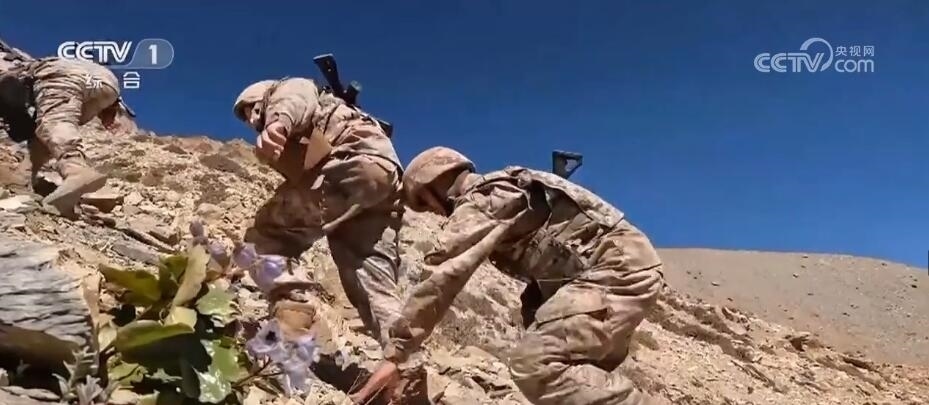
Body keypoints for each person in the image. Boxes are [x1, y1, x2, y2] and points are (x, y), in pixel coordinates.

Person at [351, 146, 666, 404]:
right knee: (575, 380)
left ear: (436, 182)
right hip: (616, 271)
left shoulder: (485, 199)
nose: (432, 212)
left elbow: (442, 276)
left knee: (535, 364)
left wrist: (396, 354)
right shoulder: (505, 191)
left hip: (616, 271)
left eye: (425, 202)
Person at [232, 78, 405, 356]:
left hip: (347, 167)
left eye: (252, 109)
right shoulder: (344, 113)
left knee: (265, 238)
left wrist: (278, 123)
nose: (251, 120)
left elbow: (295, 96)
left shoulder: (287, 89)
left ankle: (291, 314)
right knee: (374, 286)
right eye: (245, 118)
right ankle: (404, 360)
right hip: (384, 180)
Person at [0, 42, 127, 215]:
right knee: (45, 135)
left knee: (52, 122)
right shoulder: (79, 62)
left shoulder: (13, 69)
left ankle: (75, 169)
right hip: (108, 85)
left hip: (63, 75)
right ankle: (24, 179)